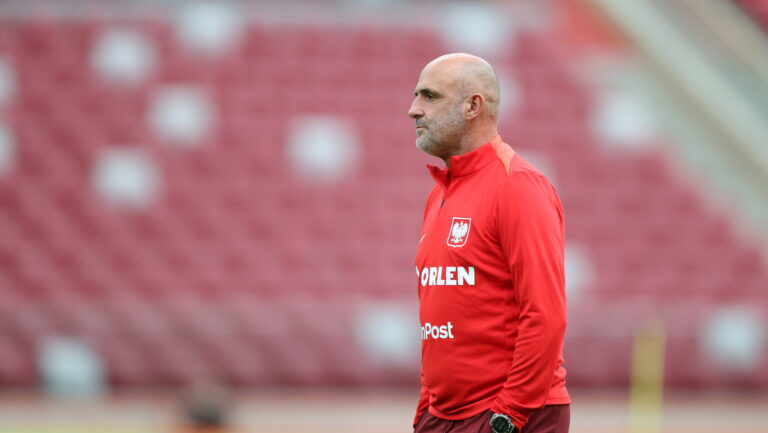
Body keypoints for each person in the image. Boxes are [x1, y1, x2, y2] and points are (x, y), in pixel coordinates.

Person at [408, 53, 570, 433]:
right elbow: (438, 317)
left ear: (472, 106)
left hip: (507, 416)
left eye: (430, 96)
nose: (413, 110)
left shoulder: (517, 187)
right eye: (417, 96)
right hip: (443, 416)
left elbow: (545, 315)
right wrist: (425, 407)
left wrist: (508, 415)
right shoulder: (440, 193)